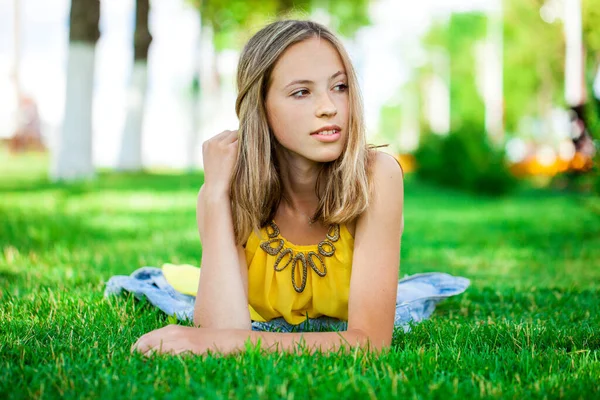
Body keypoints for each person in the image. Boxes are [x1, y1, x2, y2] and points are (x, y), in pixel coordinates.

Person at [131, 19, 404, 356]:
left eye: (340, 86)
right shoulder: (228, 190)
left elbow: (371, 343)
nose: (329, 108)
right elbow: (217, 330)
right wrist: (216, 195)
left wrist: (233, 342)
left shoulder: (377, 176)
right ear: (259, 105)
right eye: (302, 92)